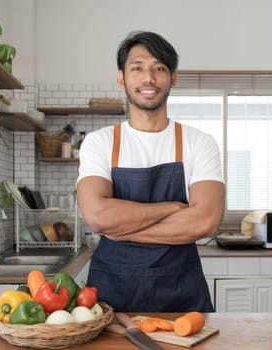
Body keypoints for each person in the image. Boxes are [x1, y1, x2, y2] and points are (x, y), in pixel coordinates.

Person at [76, 31, 225, 312]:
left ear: (173, 78)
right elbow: (98, 216)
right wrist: (171, 208)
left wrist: (121, 230)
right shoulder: (100, 142)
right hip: (112, 295)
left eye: (159, 68)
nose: (149, 78)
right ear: (122, 78)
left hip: (182, 295)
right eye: (137, 68)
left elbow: (205, 222)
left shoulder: (198, 143)